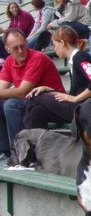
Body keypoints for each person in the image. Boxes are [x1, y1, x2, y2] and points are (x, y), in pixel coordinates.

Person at [22, 26, 91, 130]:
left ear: (62, 42)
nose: (54, 48)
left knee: (35, 97)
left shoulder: (80, 57)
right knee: (36, 112)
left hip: (88, 110)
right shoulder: (75, 59)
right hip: (81, 108)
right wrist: (49, 90)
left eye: (54, 44)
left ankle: (22, 140)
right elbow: (72, 95)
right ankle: (35, 144)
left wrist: (76, 98)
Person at [0, 29, 65, 160]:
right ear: (7, 49)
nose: (20, 51)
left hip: (53, 104)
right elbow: (2, 88)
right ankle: (5, 151)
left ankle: (18, 154)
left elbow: (23, 91)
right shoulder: (9, 61)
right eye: (15, 48)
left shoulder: (37, 57)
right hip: (31, 102)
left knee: (11, 105)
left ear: (27, 42)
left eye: (23, 46)